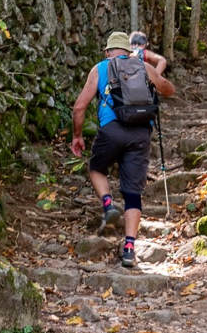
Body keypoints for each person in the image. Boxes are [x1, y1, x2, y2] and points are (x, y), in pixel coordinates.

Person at [70, 31, 176, 267]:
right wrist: (158, 81)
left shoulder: (100, 69)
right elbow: (167, 89)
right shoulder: (142, 66)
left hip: (111, 130)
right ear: (129, 52)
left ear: (107, 52)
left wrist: (77, 136)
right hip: (140, 133)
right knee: (132, 193)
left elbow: (79, 107)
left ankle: (108, 204)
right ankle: (129, 248)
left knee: (97, 167)